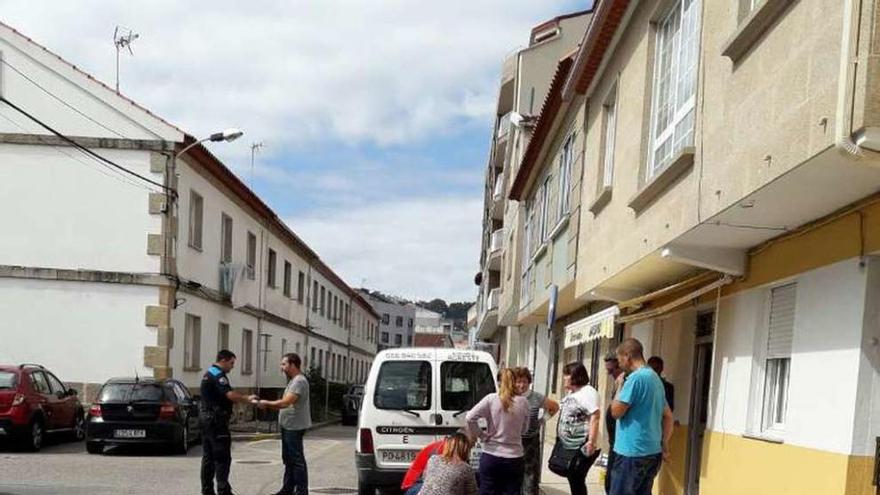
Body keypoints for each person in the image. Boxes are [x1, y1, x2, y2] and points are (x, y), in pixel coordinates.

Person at [609, 339, 674, 495]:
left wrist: (619, 386)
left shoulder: (635, 379)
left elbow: (616, 412)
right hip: (651, 452)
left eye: (619, 360)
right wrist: (664, 442)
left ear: (627, 356)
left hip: (631, 453)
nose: (619, 365)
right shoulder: (655, 379)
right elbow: (668, 416)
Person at [200, 350, 259, 495]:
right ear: (223, 360)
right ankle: (223, 491)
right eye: (232, 363)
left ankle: (207, 490)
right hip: (216, 421)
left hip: (206, 419)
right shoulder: (218, 375)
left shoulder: (208, 373)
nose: (232, 367)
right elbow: (230, 395)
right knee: (222, 457)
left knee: (208, 457)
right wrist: (248, 398)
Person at [466, 368, 529, 495]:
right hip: (514, 457)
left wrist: (481, 435)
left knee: (487, 491)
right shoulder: (524, 402)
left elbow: (469, 417)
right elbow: (524, 429)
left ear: (499, 382)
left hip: (491, 455)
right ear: (513, 382)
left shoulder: (491, 399)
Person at [257, 353, 312, 495]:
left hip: (294, 426)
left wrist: (267, 403)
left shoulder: (299, 381)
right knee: (289, 459)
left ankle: (301, 491)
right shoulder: (294, 380)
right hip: (288, 425)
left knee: (296, 459)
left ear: (293, 365)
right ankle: (287, 489)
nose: (281, 368)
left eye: (284, 364)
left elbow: (287, 402)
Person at [512, 367, 559, 495]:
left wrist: (542, 421)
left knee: (530, 476)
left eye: (524, 382)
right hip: (513, 441)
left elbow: (554, 407)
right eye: (518, 381)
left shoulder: (536, 397)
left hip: (530, 442)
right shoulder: (510, 397)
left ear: (529, 382)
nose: (521, 385)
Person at [556, 362, 601, 495]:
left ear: (576, 376)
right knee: (573, 476)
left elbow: (595, 416)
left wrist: (591, 442)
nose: (564, 378)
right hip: (571, 444)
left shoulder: (588, 392)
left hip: (584, 445)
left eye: (567, 375)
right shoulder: (572, 393)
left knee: (576, 477)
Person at [603, 353, 624, 494]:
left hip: (620, 442)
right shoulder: (617, 382)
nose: (610, 374)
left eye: (612, 371)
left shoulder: (625, 381)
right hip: (613, 441)